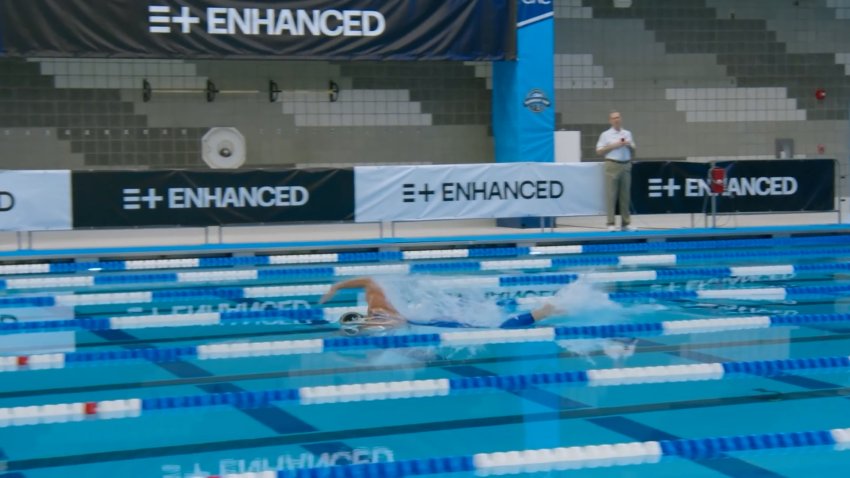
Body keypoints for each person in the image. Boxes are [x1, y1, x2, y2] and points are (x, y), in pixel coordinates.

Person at [318, 277, 562, 335]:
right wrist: (335, 288)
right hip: (429, 312)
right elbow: (367, 280)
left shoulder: (380, 311)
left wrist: (361, 329)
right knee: (484, 320)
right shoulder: (375, 291)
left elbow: (398, 322)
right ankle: (540, 312)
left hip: (429, 319)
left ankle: (541, 312)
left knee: (493, 327)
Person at [596, 111, 637, 232]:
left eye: (618, 117)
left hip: (625, 165)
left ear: (621, 119)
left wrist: (628, 145)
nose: (616, 120)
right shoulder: (605, 135)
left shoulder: (627, 133)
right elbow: (599, 151)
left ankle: (625, 223)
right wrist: (615, 145)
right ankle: (610, 222)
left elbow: (634, 150)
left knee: (625, 196)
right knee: (611, 195)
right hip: (612, 165)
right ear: (610, 121)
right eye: (614, 118)